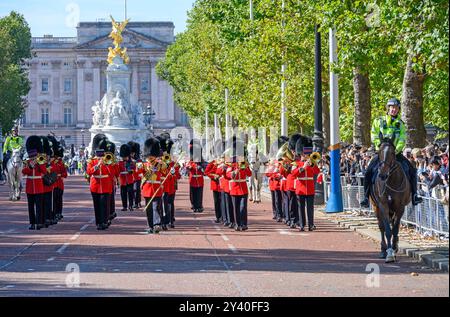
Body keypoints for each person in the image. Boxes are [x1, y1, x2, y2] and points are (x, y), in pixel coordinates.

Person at [360, 98, 423, 207]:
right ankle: (365, 197)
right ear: (388, 108)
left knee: (412, 171)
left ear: (399, 109)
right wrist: (379, 146)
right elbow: (374, 134)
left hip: (395, 154)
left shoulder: (401, 124)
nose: (394, 110)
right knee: (368, 171)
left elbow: (402, 139)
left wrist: (395, 150)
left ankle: (414, 196)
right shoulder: (378, 120)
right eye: (392, 107)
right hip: (381, 153)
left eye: (396, 108)